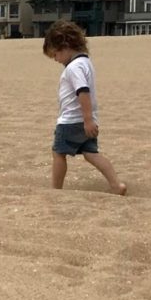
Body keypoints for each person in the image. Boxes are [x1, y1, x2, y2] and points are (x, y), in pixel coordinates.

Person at [43, 20, 126, 195]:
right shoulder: (86, 62)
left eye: (56, 54)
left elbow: (83, 91)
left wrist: (87, 120)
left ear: (65, 46)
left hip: (71, 121)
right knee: (91, 153)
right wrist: (89, 119)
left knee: (58, 153)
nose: (56, 60)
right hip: (87, 119)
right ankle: (116, 185)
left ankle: (56, 190)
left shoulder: (74, 67)